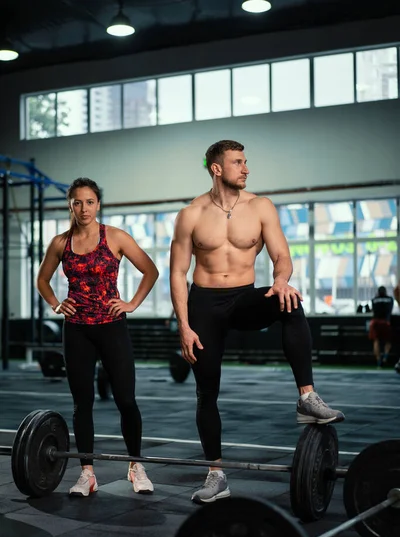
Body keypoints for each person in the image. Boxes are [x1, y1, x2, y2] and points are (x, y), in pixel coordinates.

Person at [169, 140, 345, 505]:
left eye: (246, 161)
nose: (246, 168)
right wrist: (184, 325)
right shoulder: (191, 214)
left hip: (244, 298)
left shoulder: (260, 206)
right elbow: (177, 272)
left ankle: (306, 398)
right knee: (206, 392)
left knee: (290, 301)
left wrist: (281, 280)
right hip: (205, 304)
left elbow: (282, 255)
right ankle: (216, 474)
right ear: (217, 168)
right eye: (238, 162)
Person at [37, 177, 159, 497]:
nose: (84, 208)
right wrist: (55, 303)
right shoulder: (60, 243)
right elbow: (43, 280)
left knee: (126, 400)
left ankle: (135, 465)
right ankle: (87, 473)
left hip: (112, 326)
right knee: (82, 404)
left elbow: (151, 270)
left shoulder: (115, 237)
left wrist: (131, 303)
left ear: (98, 204)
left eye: (90, 202)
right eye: (77, 202)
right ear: (70, 206)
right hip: (76, 329)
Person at [368, 286, 394, 367]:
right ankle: (385, 357)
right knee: (388, 341)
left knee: (376, 341)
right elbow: (390, 309)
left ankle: (378, 360)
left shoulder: (374, 300)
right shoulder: (390, 299)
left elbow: (373, 309)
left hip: (376, 322)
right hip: (386, 322)